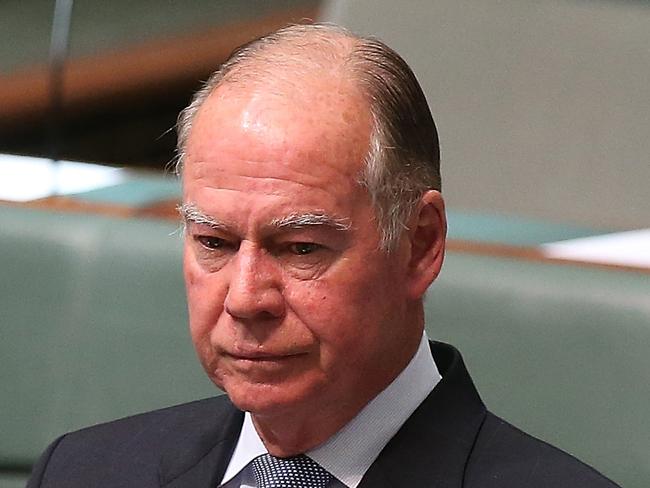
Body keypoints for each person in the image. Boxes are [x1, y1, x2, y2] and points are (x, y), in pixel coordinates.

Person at [27, 23, 619, 487]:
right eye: (214, 242)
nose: (245, 297)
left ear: (420, 245)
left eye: (300, 249)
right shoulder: (83, 473)